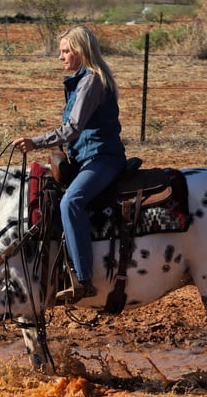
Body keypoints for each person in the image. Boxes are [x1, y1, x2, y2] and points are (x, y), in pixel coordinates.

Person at [12, 24, 127, 303]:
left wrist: (35, 142)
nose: (60, 57)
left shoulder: (91, 82)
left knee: (71, 202)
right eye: (60, 51)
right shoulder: (83, 80)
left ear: (79, 51)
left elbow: (73, 128)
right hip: (87, 157)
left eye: (65, 51)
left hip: (102, 158)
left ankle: (82, 277)